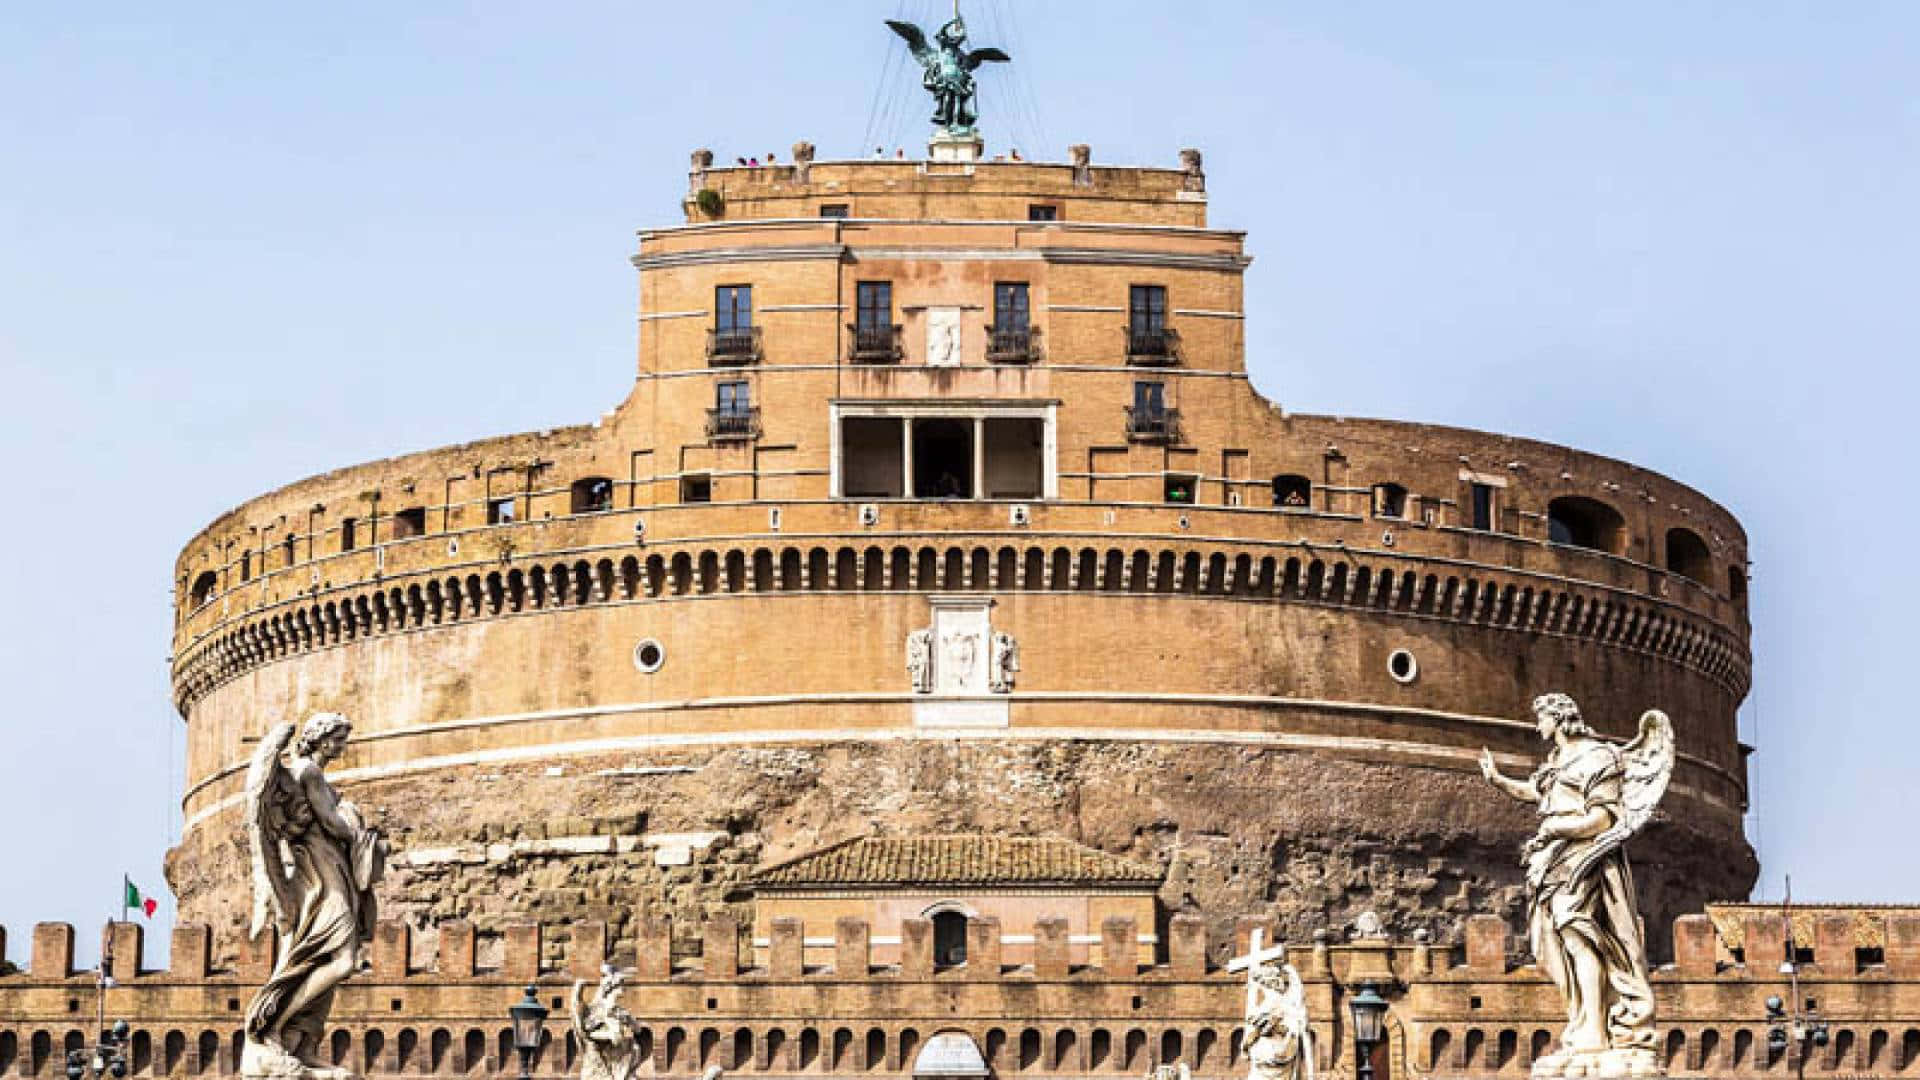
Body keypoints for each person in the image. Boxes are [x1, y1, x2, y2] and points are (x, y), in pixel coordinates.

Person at [1480, 693, 1659, 1074]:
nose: (1537, 726)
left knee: (1580, 938)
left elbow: (1602, 820)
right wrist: (1497, 780)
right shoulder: (1557, 761)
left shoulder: (1598, 756)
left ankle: (1594, 1030)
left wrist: (1554, 828)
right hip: (1552, 861)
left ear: (1559, 719)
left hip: (1584, 859)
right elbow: (1538, 794)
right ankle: (1581, 1024)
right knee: (1553, 942)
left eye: (1542, 718)